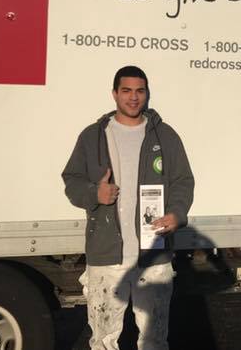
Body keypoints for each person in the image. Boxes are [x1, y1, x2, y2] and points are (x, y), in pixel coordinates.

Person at [62, 65, 194, 350]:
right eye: (126, 91)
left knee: (154, 339)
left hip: (153, 254)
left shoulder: (165, 136)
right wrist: (94, 193)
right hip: (106, 254)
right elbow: (71, 180)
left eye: (139, 91)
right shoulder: (93, 136)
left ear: (146, 94)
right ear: (114, 94)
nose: (133, 98)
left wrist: (177, 213)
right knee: (103, 340)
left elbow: (183, 180)